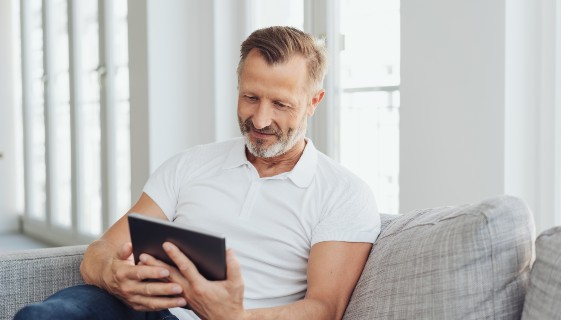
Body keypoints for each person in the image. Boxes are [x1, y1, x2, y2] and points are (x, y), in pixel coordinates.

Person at [15, 26, 380, 320]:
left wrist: (235, 317)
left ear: (314, 102)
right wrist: (113, 274)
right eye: (250, 97)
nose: (260, 119)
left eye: (281, 104)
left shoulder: (343, 193)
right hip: (145, 310)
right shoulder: (189, 165)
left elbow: (324, 308)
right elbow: (102, 248)